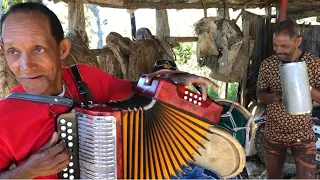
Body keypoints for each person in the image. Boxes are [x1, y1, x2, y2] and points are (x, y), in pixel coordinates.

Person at [0, 3, 218, 179]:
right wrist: (26, 172)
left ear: (63, 49)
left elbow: (136, 92)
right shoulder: (4, 117)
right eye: (13, 52)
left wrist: (168, 79)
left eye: (38, 49)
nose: (26, 65)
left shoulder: (84, 78)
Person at [257, 19, 320, 179]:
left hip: (303, 133)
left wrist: (305, 87)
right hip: (274, 132)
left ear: (298, 41)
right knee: (273, 177)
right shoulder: (268, 64)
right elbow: (260, 95)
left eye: (284, 46)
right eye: (275, 45)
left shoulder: (313, 64)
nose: (278, 50)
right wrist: (276, 96)